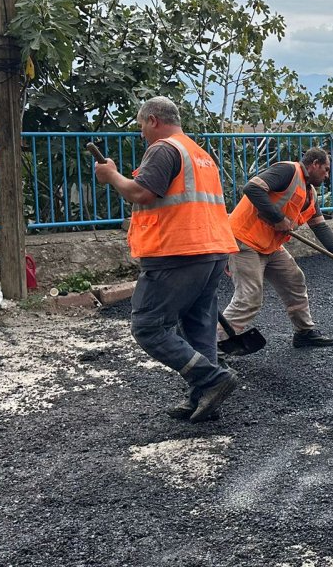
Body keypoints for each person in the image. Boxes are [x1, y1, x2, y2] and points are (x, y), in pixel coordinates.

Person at [94, 96, 240, 423]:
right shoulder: (200, 154)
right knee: (198, 325)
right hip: (212, 251)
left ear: (154, 120)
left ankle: (212, 379)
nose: (142, 132)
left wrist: (112, 176)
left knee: (148, 326)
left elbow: (141, 192)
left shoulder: (163, 149)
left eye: (142, 125)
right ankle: (204, 396)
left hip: (177, 252)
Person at [218, 147, 333, 350]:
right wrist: (278, 218)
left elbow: (321, 228)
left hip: (270, 246)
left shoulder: (310, 194)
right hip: (245, 242)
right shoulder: (288, 171)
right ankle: (214, 344)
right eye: (326, 169)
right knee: (249, 297)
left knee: (294, 281)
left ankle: (304, 332)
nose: (327, 175)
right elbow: (251, 188)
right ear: (314, 164)